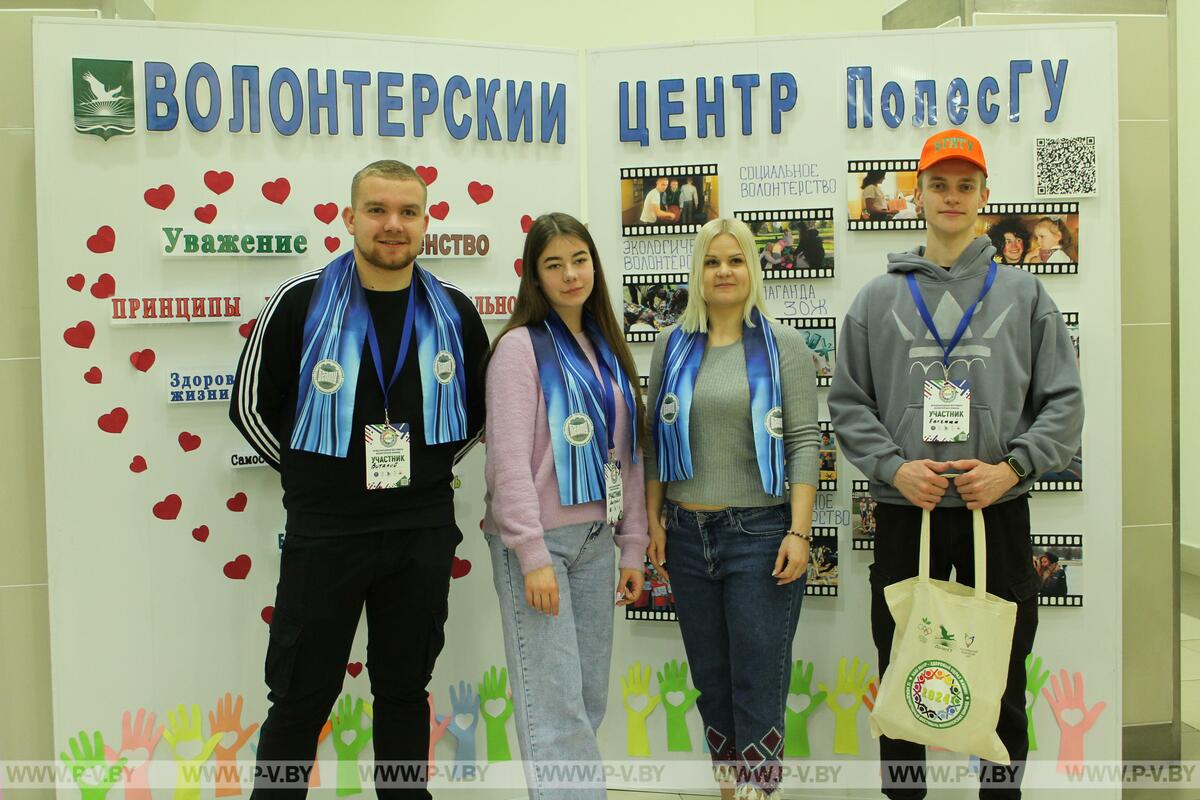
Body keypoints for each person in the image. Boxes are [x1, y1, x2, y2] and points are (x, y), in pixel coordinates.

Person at [829, 128, 1083, 800]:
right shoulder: (876, 300)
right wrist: (893, 468)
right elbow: (849, 403)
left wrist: (1012, 469)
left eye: (965, 185)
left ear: (984, 197)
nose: (951, 196)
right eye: (938, 184)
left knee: (1002, 671)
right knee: (904, 668)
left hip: (993, 510)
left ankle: (1002, 793)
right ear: (917, 196)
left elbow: (1063, 403)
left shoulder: (1026, 296)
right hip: (905, 511)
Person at [230, 160, 488, 799]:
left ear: (425, 223)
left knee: (404, 692)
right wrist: (315, 481)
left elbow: (476, 417)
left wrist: (423, 474)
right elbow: (250, 406)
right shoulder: (300, 301)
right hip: (326, 534)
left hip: (420, 533)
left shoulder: (453, 311)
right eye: (377, 210)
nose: (392, 225)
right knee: (299, 697)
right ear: (349, 218)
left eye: (407, 212)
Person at [644, 218, 820, 800]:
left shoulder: (784, 345)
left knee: (757, 685)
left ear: (752, 270)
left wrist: (799, 531)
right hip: (685, 535)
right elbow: (655, 442)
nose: (724, 271)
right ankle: (729, 793)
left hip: (760, 535)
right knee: (712, 686)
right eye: (712, 261)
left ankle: (758, 793)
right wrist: (655, 522)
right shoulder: (671, 346)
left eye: (736, 260)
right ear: (697, 271)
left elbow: (803, 441)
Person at [483, 213, 647, 799]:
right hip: (540, 544)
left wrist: (632, 547)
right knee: (553, 708)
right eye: (554, 265)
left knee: (587, 699)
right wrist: (531, 555)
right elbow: (506, 462)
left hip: (597, 542)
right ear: (535, 277)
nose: (570, 274)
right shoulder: (518, 349)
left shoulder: (607, 347)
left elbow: (629, 456)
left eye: (580, 260)